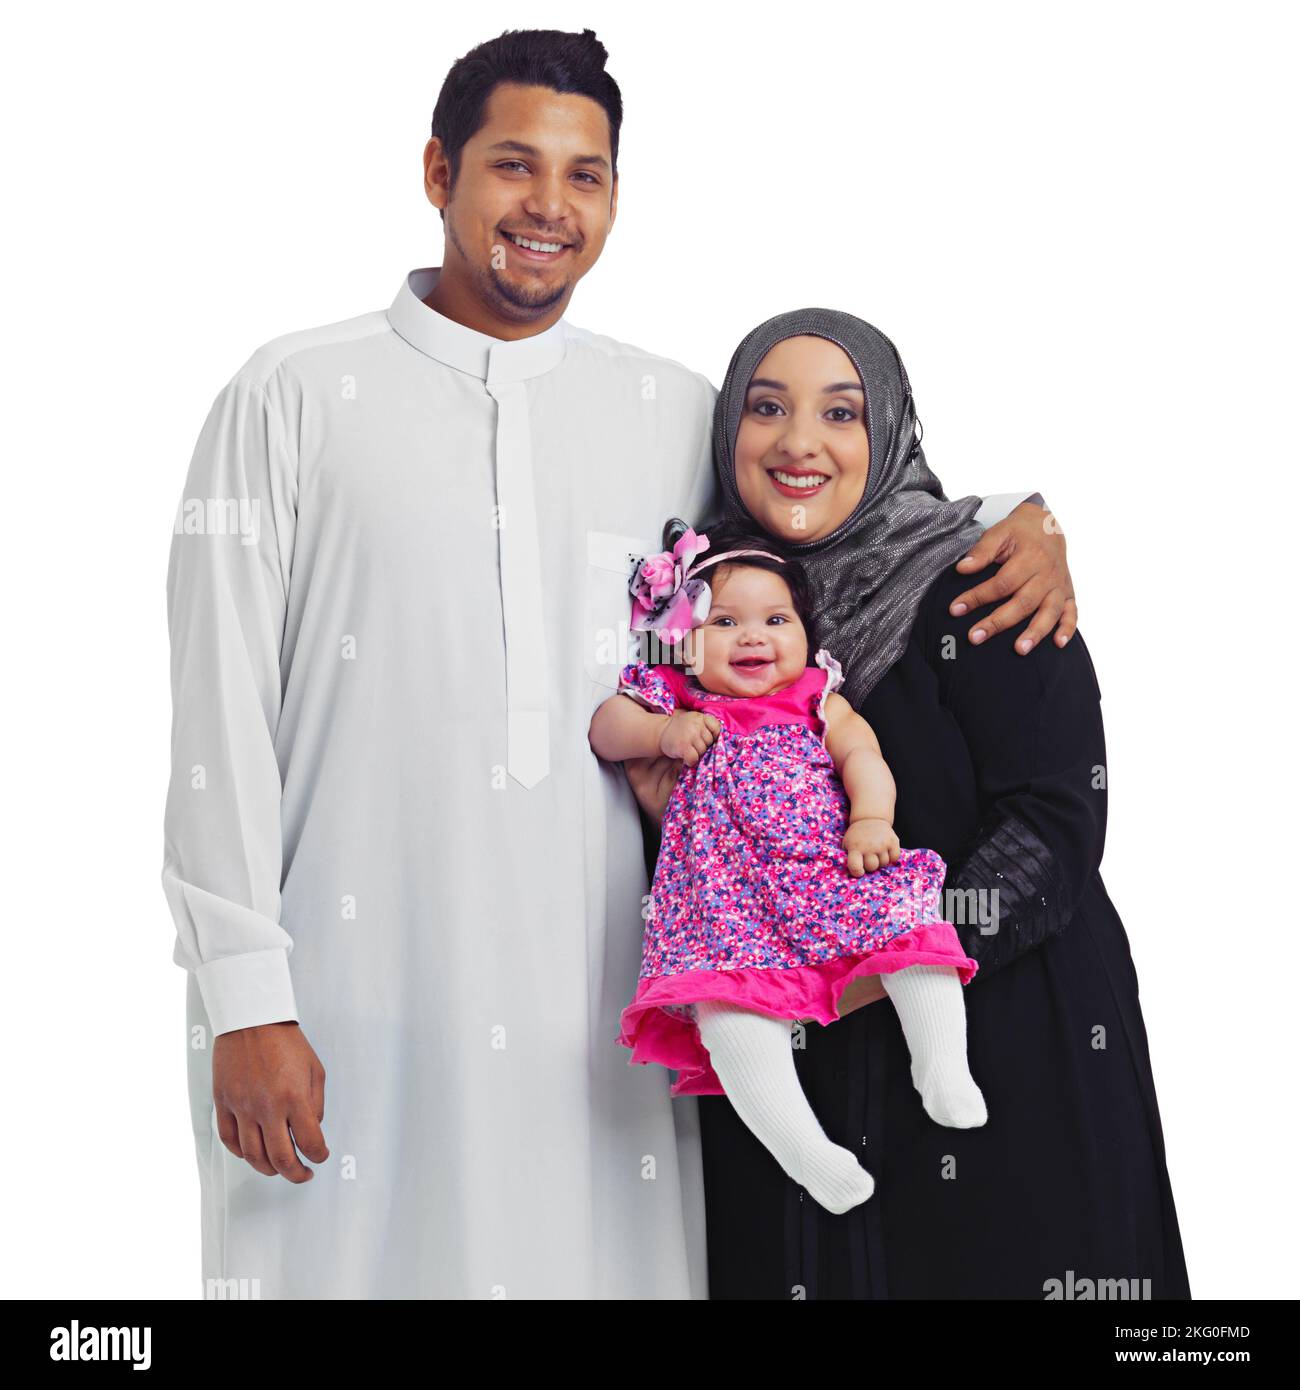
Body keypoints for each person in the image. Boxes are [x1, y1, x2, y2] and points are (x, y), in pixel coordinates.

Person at [162, 29, 1073, 1298]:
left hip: (612, 1017)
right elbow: (217, 720)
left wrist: (1020, 517)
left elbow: (833, 511)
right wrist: (245, 992)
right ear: (438, 171)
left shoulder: (665, 411)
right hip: (348, 994)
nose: (548, 207)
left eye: (585, 176)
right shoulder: (293, 398)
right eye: (512, 166)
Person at [629, 309, 1190, 1299]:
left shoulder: (984, 576)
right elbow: (667, 752)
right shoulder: (702, 603)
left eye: (840, 413)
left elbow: (1055, 823)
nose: (799, 441)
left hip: (1004, 1030)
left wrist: (888, 957)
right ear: (727, 435)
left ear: (888, 431)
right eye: (767, 407)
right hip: (793, 1048)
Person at [589, 524, 987, 1216]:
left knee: (911, 926)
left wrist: (872, 821)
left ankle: (943, 1065)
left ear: (806, 632)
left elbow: (863, 756)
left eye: (776, 619)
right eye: (724, 621)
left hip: (822, 872)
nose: (753, 637)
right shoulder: (678, 698)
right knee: (727, 1012)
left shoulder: (815, 695)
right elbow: (603, 729)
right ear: (683, 637)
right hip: (726, 900)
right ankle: (806, 1150)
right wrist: (659, 734)